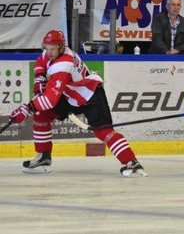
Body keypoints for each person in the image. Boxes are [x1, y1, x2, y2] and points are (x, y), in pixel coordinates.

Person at [8, 30, 147, 177]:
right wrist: (40, 79)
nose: (49, 52)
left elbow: (49, 100)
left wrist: (27, 108)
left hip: (90, 94)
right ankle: (44, 158)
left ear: (61, 47)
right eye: (47, 48)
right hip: (70, 94)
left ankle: (132, 163)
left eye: (52, 49)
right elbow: (41, 62)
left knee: (103, 131)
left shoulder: (63, 64)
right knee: (41, 114)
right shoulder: (53, 51)